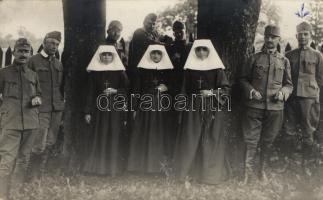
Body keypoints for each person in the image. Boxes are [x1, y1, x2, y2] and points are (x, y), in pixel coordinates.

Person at [239, 25, 293, 183]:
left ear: (278, 40)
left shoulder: (284, 61)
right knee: (250, 140)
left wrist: (283, 93)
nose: (270, 40)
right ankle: (246, 174)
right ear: (265, 38)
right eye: (268, 36)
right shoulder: (254, 58)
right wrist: (251, 91)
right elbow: (242, 79)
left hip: (275, 109)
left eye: (273, 37)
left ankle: (262, 171)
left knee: (268, 141)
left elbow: (289, 84)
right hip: (254, 107)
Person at [173, 39, 230, 185]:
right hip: (192, 107)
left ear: (209, 51)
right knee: (191, 137)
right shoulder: (190, 69)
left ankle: (209, 176)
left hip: (212, 107)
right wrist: (181, 109)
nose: (201, 52)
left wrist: (211, 92)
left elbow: (225, 89)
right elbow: (184, 90)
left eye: (204, 49)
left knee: (210, 137)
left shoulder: (217, 69)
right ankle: (187, 172)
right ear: (195, 51)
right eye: (198, 50)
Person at [0, 38, 42, 199]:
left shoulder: (33, 74)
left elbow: (39, 94)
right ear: (14, 53)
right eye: (20, 51)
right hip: (10, 123)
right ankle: (3, 194)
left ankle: (16, 193)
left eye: (26, 52)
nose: (23, 54)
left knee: (24, 159)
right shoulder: (3, 73)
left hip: (31, 123)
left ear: (30, 54)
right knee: (7, 160)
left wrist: (38, 99)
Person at [282, 21, 323, 177]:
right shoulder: (289, 55)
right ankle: (288, 162)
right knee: (289, 130)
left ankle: (307, 164)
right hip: (292, 98)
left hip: (309, 99)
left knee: (308, 131)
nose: (303, 37)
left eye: (306, 34)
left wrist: (311, 91)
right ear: (296, 36)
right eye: (300, 34)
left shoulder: (318, 55)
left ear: (310, 36)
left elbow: (320, 78)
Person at [83, 45, 129, 176]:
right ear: (100, 56)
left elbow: (127, 89)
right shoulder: (94, 73)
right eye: (104, 55)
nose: (107, 57)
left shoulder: (120, 72)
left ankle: (113, 168)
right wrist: (87, 111)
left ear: (113, 56)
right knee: (101, 135)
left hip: (115, 108)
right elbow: (89, 93)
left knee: (114, 135)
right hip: (99, 108)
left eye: (109, 55)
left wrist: (115, 91)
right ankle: (99, 168)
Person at [127, 44, 173, 174]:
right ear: (149, 54)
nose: (156, 56)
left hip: (163, 105)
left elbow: (175, 85)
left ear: (162, 55)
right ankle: (141, 166)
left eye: (158, 53)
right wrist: (135, 107)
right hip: (145, 104)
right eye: (153, 53)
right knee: (144, 132)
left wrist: (167, 87)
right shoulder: (142, 70)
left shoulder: (169, 70)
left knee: (160, 132)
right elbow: (136, 89)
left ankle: (159, 167)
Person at [27, 31, 65, 179]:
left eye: (57, 44)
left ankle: (40, 173)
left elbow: (60, 86)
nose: (54, 46)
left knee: (51, 141)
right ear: (44, 43)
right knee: (38, 143)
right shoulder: (33, 61)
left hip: (56, 108)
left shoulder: (58, 64)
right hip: (40, 109)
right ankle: (31, 175)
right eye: (51, 43)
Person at [165, 21, 191, 159]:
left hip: (187, 87)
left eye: (181, 30)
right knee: (172, 120)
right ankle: (171, 153)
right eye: (175, 31)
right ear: (173, 32)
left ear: (185, 30)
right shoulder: (170, 48)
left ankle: (183, 153)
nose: (178, 33)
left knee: (185, 120)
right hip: (172, 88)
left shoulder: (190, 47)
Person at [127, 13, 161, 87]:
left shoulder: (154, 34)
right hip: (137, 70)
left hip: (149, 69)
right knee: (136, 92)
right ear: (144, 22)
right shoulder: (138, 32)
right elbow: (151, 43)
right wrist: (167, 44)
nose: (151, 26)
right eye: (149, 23)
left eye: (153, 24)